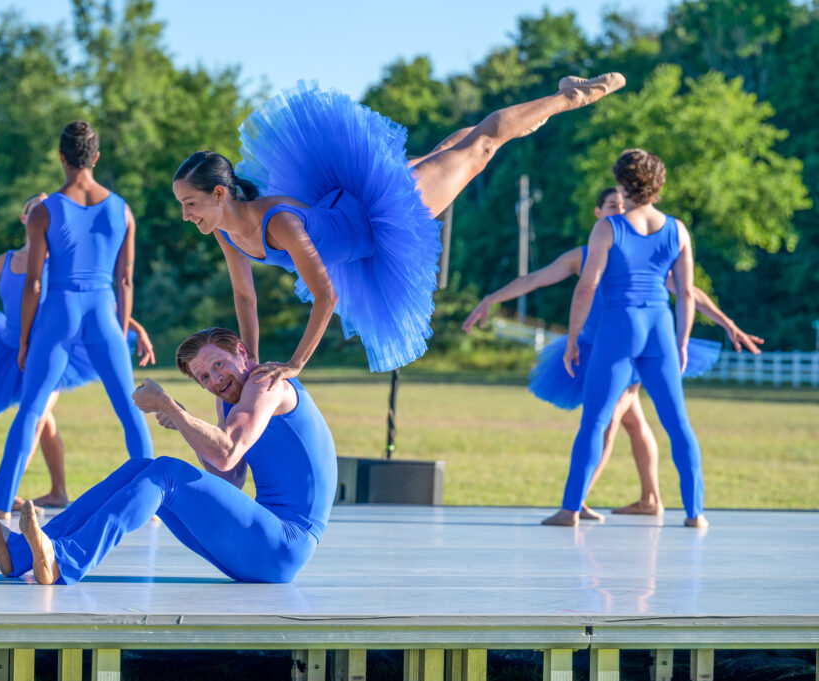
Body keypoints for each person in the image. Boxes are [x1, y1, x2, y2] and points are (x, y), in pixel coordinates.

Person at [172, 73, 627, 379]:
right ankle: (527, 119)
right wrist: (247, 360)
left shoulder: (281, 224)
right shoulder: (228, 233)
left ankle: (573, 95)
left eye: (190, 203)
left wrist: (294, 364)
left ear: (219, 194)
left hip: (385, 213)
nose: (186, 216)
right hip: (352, 203)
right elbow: (245, 297)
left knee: (482, 146)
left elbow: (327, 295)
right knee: (453, 147)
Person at [463, 187, 762, 518]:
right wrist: (492, 297)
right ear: (598, 212)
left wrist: (727, 323)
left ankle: (579, 501)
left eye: (623, 205)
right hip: (596, 347)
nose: (619, 211)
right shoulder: (584, 254)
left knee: (609, 423)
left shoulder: (638, 251)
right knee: (634, 424)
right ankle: (650, 499)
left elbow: (689, 291)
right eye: (611, 206)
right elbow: (535, 278)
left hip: (629, 351)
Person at [0, 327, 337, 586]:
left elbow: (227, 454)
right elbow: (229, 479)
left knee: (166, 473)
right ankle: (21, 554)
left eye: (218, 365)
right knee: (142, 468)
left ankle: (64, 561)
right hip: (261, 543)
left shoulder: (266, 382)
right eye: (204, 377)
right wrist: (184, 420)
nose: (214, 379)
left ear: (242, 353)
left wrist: (171, 408)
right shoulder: (231, 402)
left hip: (287, 542)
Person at [0, 194, 156, 515]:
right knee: (43, 419)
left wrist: (137, 329)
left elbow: (95, 301)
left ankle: (7, 496)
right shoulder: (5, 262)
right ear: (27, 219)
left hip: (53, 351)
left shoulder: (60, 264)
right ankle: (58, 491)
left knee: (35, 418)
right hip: (8, 348)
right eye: (37, 209)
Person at [0, 121, 154, 517]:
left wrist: (26, 339)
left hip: (59, 311)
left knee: (32, 407)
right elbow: (126, 278)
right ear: (96, 157)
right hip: (103, 311)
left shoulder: (43, 212)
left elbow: (32, 284)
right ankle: (150, 501)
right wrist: (120, 326)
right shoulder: (123, 210)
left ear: (61, 157)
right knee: (130, 407)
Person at [545, 149, 709, 528]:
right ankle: (695, 513)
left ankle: (570, 509)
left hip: (620, 324)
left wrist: (572, 339)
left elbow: (587, 288)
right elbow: (686, 294)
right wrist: (682, 342)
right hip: (661, 326)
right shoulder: (677, 229)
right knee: (678, 423)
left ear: (622, 183)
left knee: (597, 420)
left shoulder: (609, 227)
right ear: (658, 184)